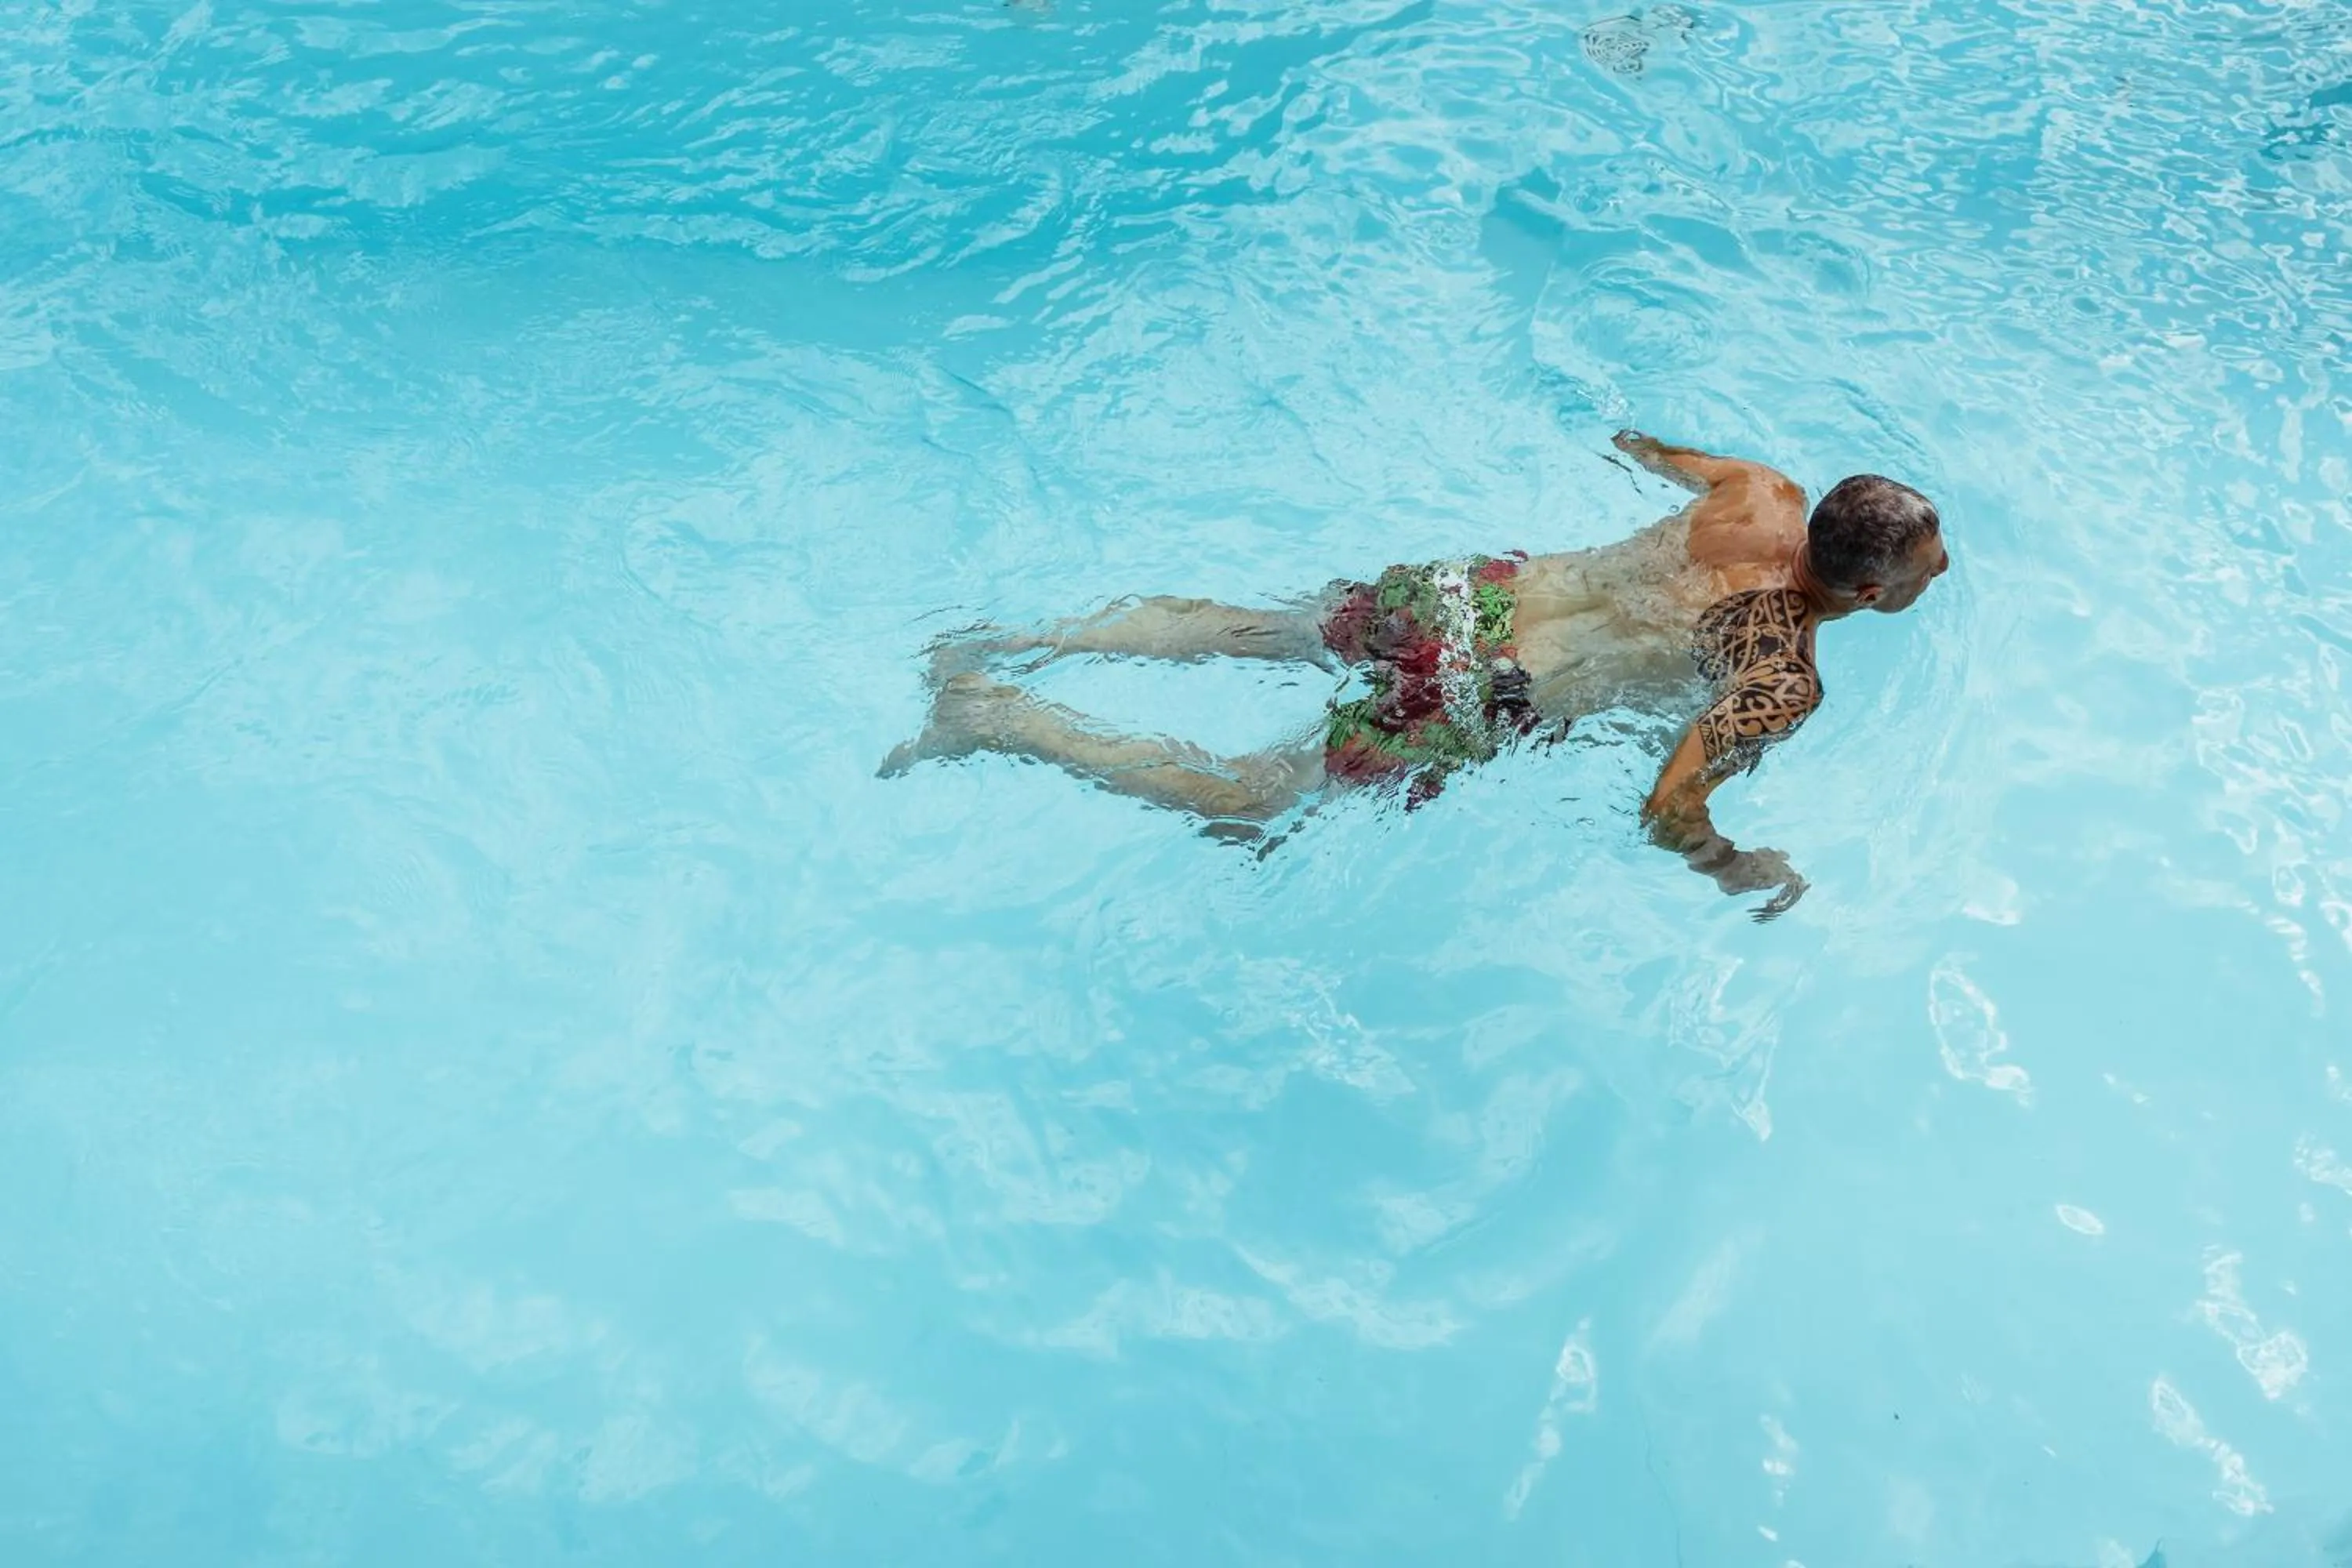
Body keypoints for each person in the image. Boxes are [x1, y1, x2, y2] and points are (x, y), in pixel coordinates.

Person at [881, 430, 1948, 917]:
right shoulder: (1783, 677)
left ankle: (1017, 638)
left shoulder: (1757, 488)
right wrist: (1733, 864)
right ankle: (995, 716)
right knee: (1254, 802)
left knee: (1260, 631)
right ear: (1865, 595)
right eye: (1923, 575)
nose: (1930, 581)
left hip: (1472, 591)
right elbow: (1670, 806)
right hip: (1485, 691)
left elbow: (1643, 448)